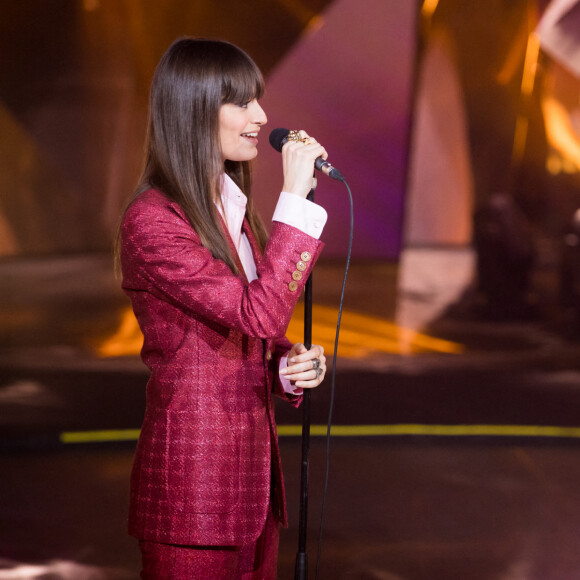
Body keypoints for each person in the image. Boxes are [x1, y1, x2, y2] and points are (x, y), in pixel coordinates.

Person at [118, 37, 328, 579]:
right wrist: (296, 203)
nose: (261, 116)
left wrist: (285, 366)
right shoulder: (154, 222)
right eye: (242, 102)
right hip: (196, 499)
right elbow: (256, 312)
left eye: (258, 100)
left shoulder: (231, 206)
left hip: (254, 494)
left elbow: (249, 332)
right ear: (193, 108)